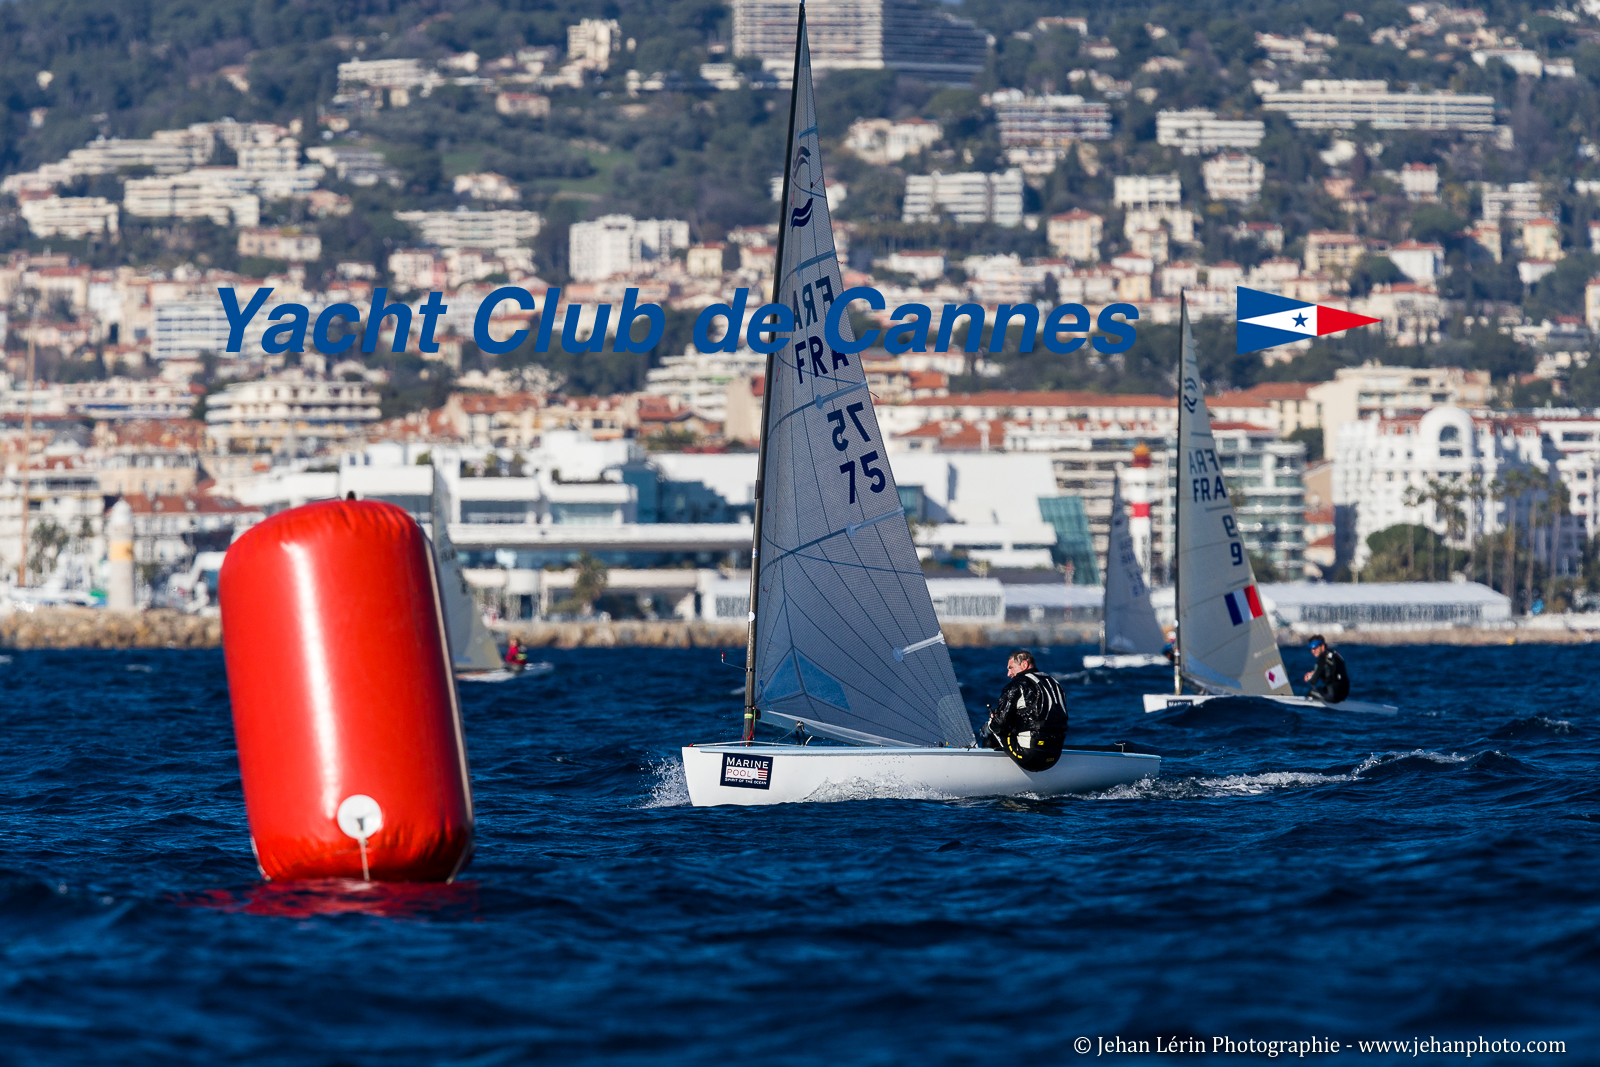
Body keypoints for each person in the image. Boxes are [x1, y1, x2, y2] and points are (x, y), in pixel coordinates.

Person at [985, 650, 1069, 771]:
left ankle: (988, 775)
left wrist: (988, 727)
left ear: (1024, 665)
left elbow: (1000, 723)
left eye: (1011, 668)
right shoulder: (1054, 683)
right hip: (1055, 754)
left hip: (1030, 756)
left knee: (992, 732)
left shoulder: (1017, 684)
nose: (1008, 673)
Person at [1302, 635, 1349, 704]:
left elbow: (1313, 681)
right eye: (1311, 649)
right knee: (1324, 688)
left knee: (1311, 692)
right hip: (1344, 694)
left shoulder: (1322, 660)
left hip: (1333, 696)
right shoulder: (1334, 653)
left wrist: (1309, 676)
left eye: (1315, 648)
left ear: (1322, 646)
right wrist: (1314, 672)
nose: (1313, 651)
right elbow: (1332, 669)